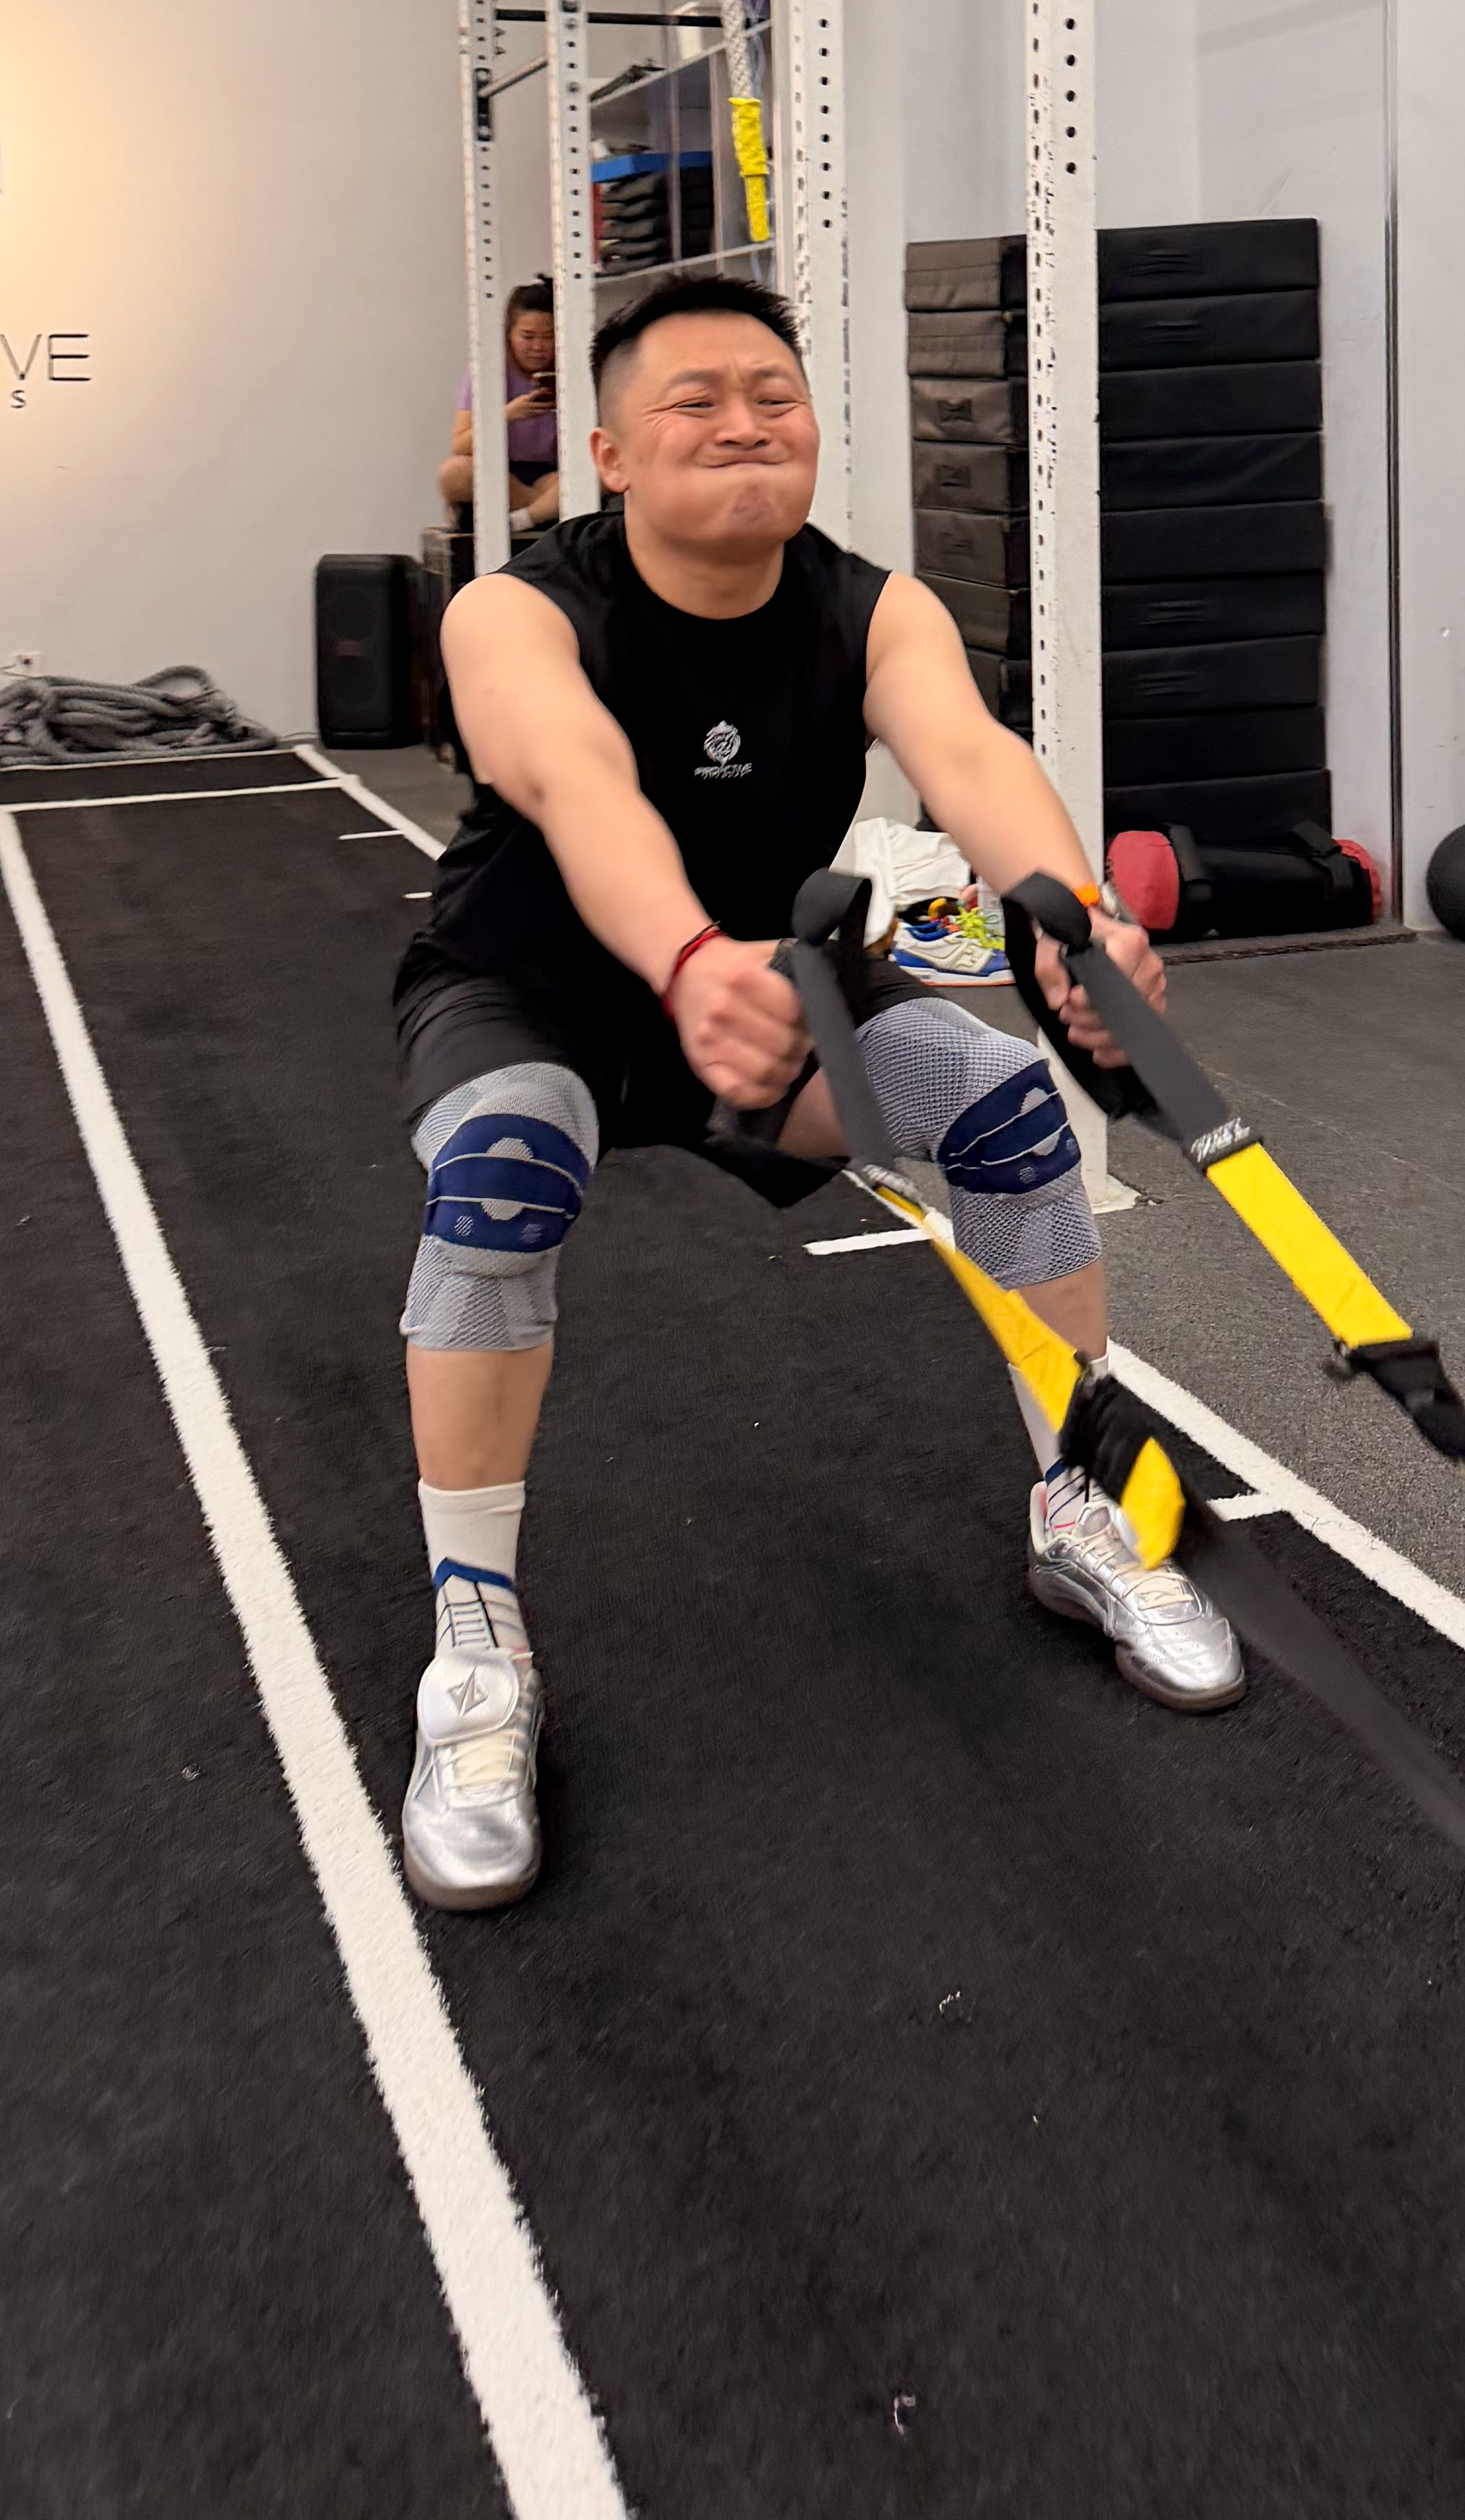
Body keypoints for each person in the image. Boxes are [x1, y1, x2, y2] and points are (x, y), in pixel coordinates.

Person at [390, 265, 1243, 1911]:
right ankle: (474, 1643)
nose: (745, 424)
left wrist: (1072, 918)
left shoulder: (872, 607)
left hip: (763, 996)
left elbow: (971, 758)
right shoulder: (515, 609)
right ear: (610, 454)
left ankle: (1079, 1507)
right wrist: (685, 954)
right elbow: (572, 774)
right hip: (533, 989)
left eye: (773, 397)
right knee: (504, 1166)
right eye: (696, 401)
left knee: (1005, 1107)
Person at [437, 279, 561, 540]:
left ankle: (522, 519)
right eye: (527, 337)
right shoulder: (488, 370)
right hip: (501, 472)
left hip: (549, 473)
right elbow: (459, 445)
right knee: (453, 472)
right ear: (509, 335)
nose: (538, 347)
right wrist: (507, 414)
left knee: (593, 476)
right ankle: (544, 510)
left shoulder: (569, 367)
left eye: (548, 337)